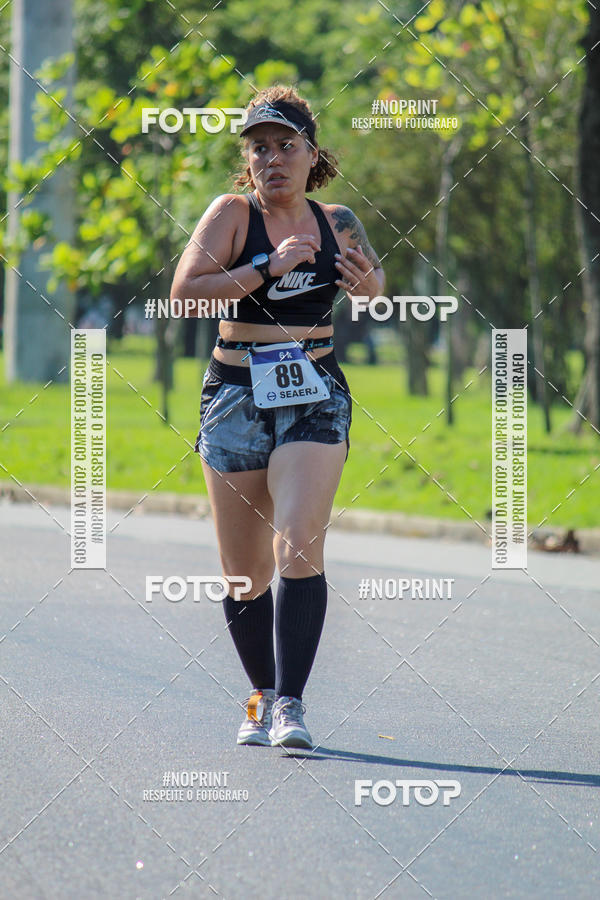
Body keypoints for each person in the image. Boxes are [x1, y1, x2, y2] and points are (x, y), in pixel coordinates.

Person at [170, 85, 384, 749]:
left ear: (312, 153)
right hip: (235, 393)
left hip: (314, 390)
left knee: (298, 541)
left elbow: (376, 288)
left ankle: (291, 703)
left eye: (286, 145)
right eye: (258, 147)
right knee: (244, 574)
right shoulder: (233, 215)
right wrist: (266, 266)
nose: (272, 158)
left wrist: (367, 287)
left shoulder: (338, 221)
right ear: (247, 159)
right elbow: (185, 296)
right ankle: (261, 695)